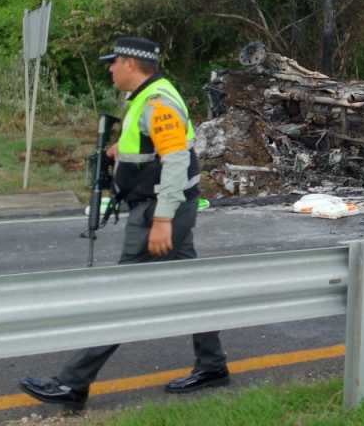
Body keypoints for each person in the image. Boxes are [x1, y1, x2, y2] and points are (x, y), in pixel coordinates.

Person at [19, 36, 229, 412]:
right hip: (163, 208)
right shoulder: (147, 99)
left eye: (113, 62)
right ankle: (212, 366)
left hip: (158, 212)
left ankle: (72, 382)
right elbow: (156, 150)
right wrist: (123, 153)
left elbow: (177, 160)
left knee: (124, 293)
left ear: (131, 62)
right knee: (194, 287)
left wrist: (163, 219)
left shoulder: (157, 102)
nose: (110, 68)